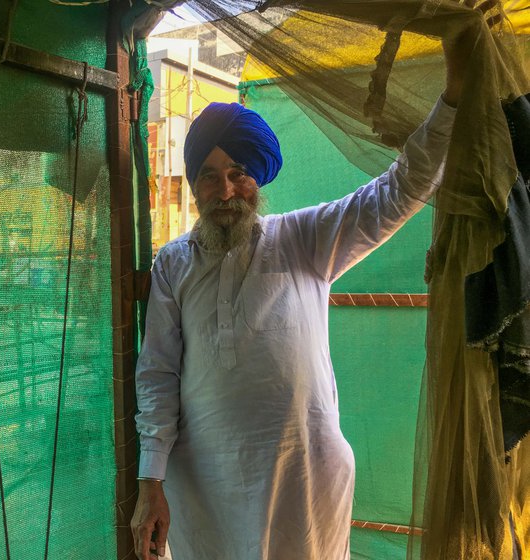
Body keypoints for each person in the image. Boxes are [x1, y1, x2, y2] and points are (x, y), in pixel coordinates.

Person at [130, 4, 497, 559]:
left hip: (305, 477)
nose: (225, 191)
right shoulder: (172, 265)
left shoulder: (305, 238)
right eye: (209, 175)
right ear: (194, 184)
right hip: (205, 487)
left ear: (259, 178)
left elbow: (397, 191)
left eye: (239, 174)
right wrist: (149, 482)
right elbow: (157, 375)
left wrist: (452, 99)